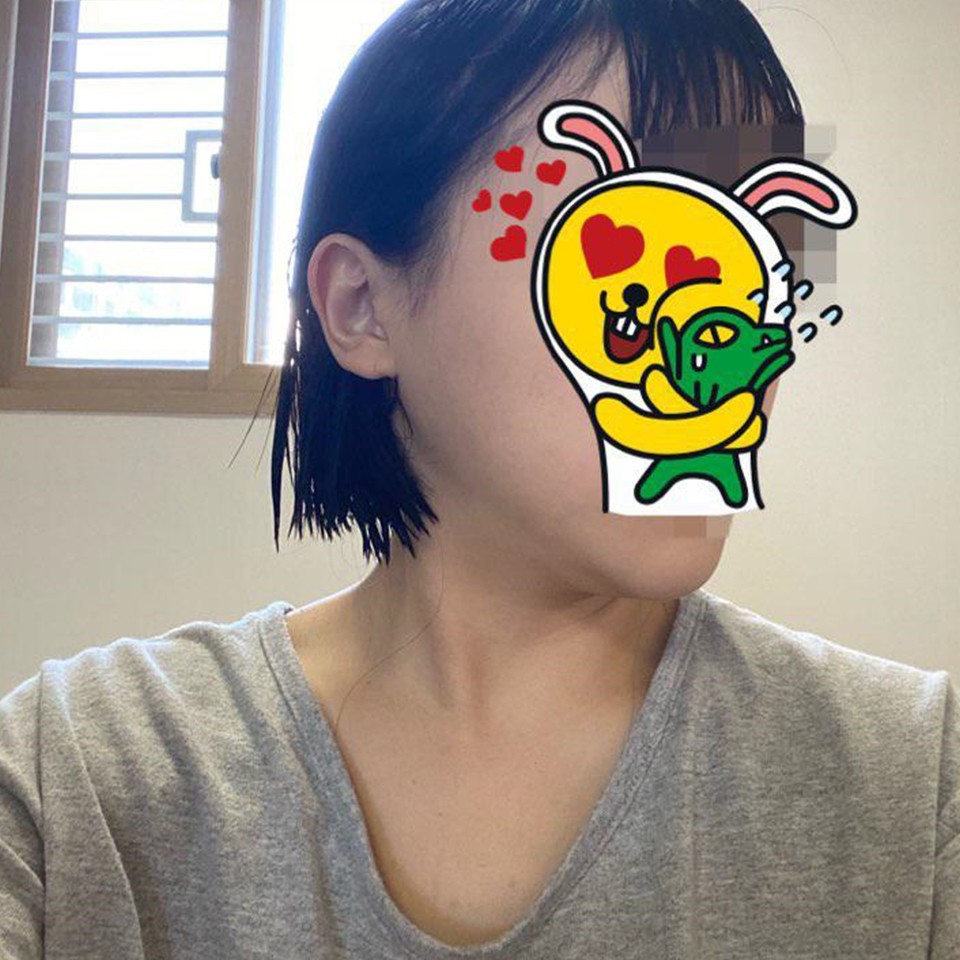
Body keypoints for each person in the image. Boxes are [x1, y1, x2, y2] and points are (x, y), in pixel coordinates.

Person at [1, 1, 957, 957]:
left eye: (760, 250)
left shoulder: (918, 785)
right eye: (633, 247)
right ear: (362, 307)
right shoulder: (79, 780)